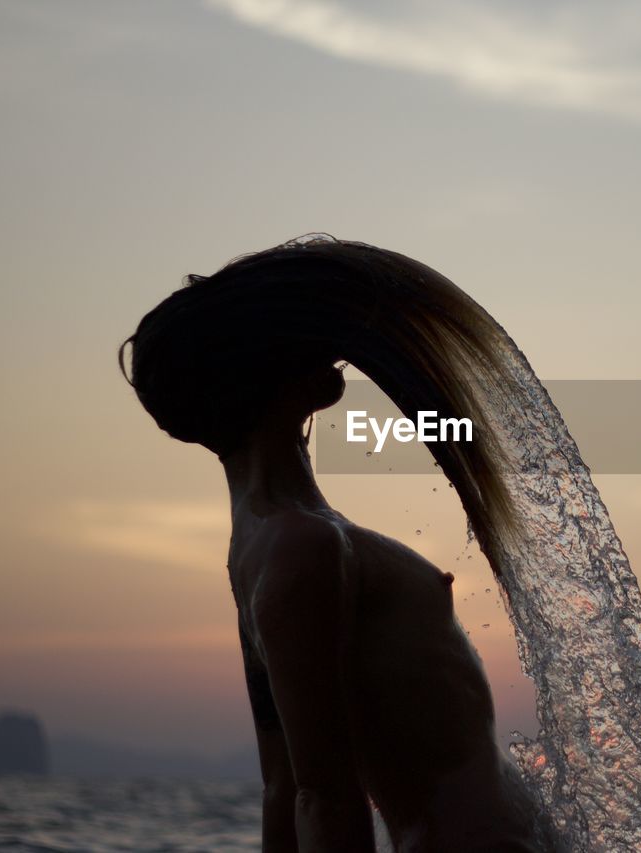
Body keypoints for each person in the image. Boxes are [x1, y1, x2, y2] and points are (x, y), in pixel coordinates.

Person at [120, 236, 553, 852]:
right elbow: (319, 794)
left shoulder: (267, 542)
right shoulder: (302, 546)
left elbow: (283, 786)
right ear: (253, 374)